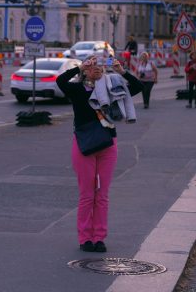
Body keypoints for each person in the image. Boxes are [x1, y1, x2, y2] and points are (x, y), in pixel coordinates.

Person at [56, 56, 143, 253]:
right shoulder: (78, 90)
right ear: (86, 71)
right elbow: (60, 82)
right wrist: (79, 67)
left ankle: (99, 238)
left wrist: (121, 71)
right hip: (84, 145)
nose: (96, 69)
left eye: (99, 66)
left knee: (102, 195)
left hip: (108, 144)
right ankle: (85, 238)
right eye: (92, 66)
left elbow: (137, 87)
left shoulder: (112, 87)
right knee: (87, 195)